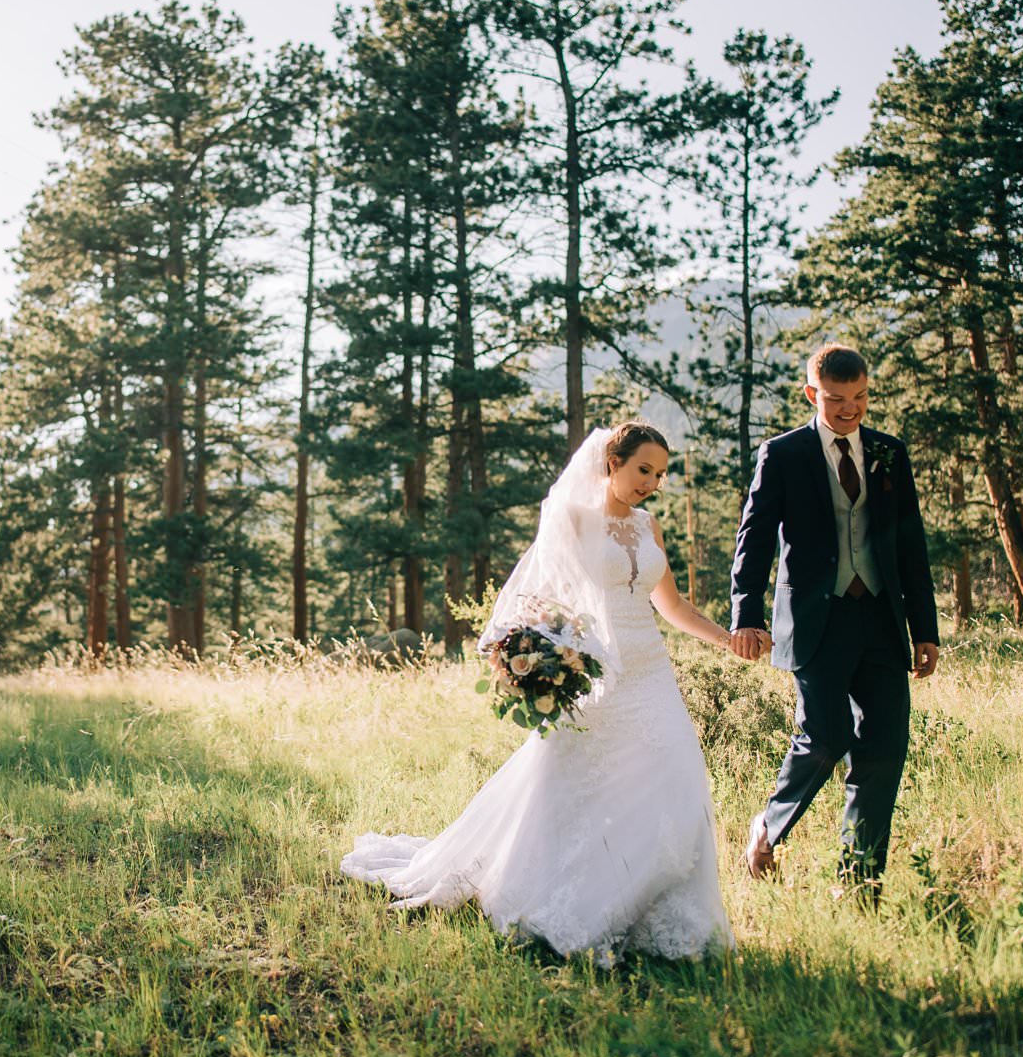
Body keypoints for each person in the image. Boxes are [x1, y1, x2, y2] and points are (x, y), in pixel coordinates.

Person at [341, 422, 754, 962]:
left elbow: (670, 606)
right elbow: (540, 596)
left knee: (675, 776)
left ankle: (668, 915)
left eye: (659, 475)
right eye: (642, 470)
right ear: (612, 462)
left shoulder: (649, 527)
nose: (651, 483)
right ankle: (555, 889)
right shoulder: (573, 519)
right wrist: (541, 661)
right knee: (573, 783)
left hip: (651, 672)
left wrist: (727, 640)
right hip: (599, 672)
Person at [729, 344, 940, 898]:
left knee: (884, 748)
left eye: (860, 398)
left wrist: (925, 629)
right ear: (811, 394)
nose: (850, 410)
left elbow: (910, 545)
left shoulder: (890, 453)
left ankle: (859, 880)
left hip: (880, 619)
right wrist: (746, 614)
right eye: (837, 400)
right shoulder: (783, 454)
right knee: (824, 737)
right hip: (815, 621)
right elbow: (753, 541)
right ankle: (768, 826)